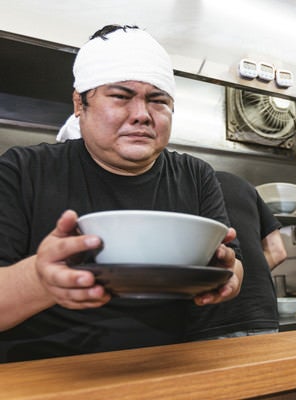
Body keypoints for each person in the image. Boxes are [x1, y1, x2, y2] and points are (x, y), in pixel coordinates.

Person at [0, 24, 243, 362]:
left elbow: (232, 262)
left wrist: (229, 275)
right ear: (79, 104)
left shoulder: (196, 175)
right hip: (47, 373)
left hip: (169, 368)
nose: (142, 115)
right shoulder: (22, 171)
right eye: (120, 97)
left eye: (158, 101)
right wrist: (42, 278)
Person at [185, 171, 287, 341]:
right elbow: (278, 252)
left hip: (209, 317)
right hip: (261, 313)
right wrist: (238, 275)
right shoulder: (243, 185)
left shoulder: (183, 183)